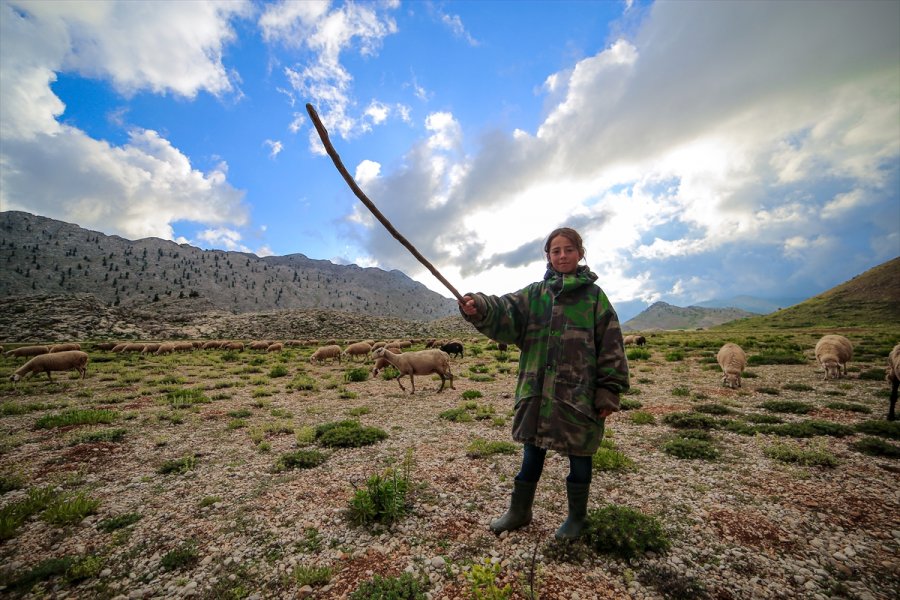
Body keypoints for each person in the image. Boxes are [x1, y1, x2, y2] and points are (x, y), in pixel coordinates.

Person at [458, 227, 630, 540]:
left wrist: (608, 390)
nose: (562, 256)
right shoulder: (535, 295)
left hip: (579, 395)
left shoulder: (594, 298)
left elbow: (611, 344)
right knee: (531, 453)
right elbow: (505, 310)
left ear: (580, 253)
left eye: (568, 250)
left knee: (580, 456)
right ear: (548, 256)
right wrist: (479, 306)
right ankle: (520, 511)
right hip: (538, 391)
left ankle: (577, 518)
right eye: (555, 251)